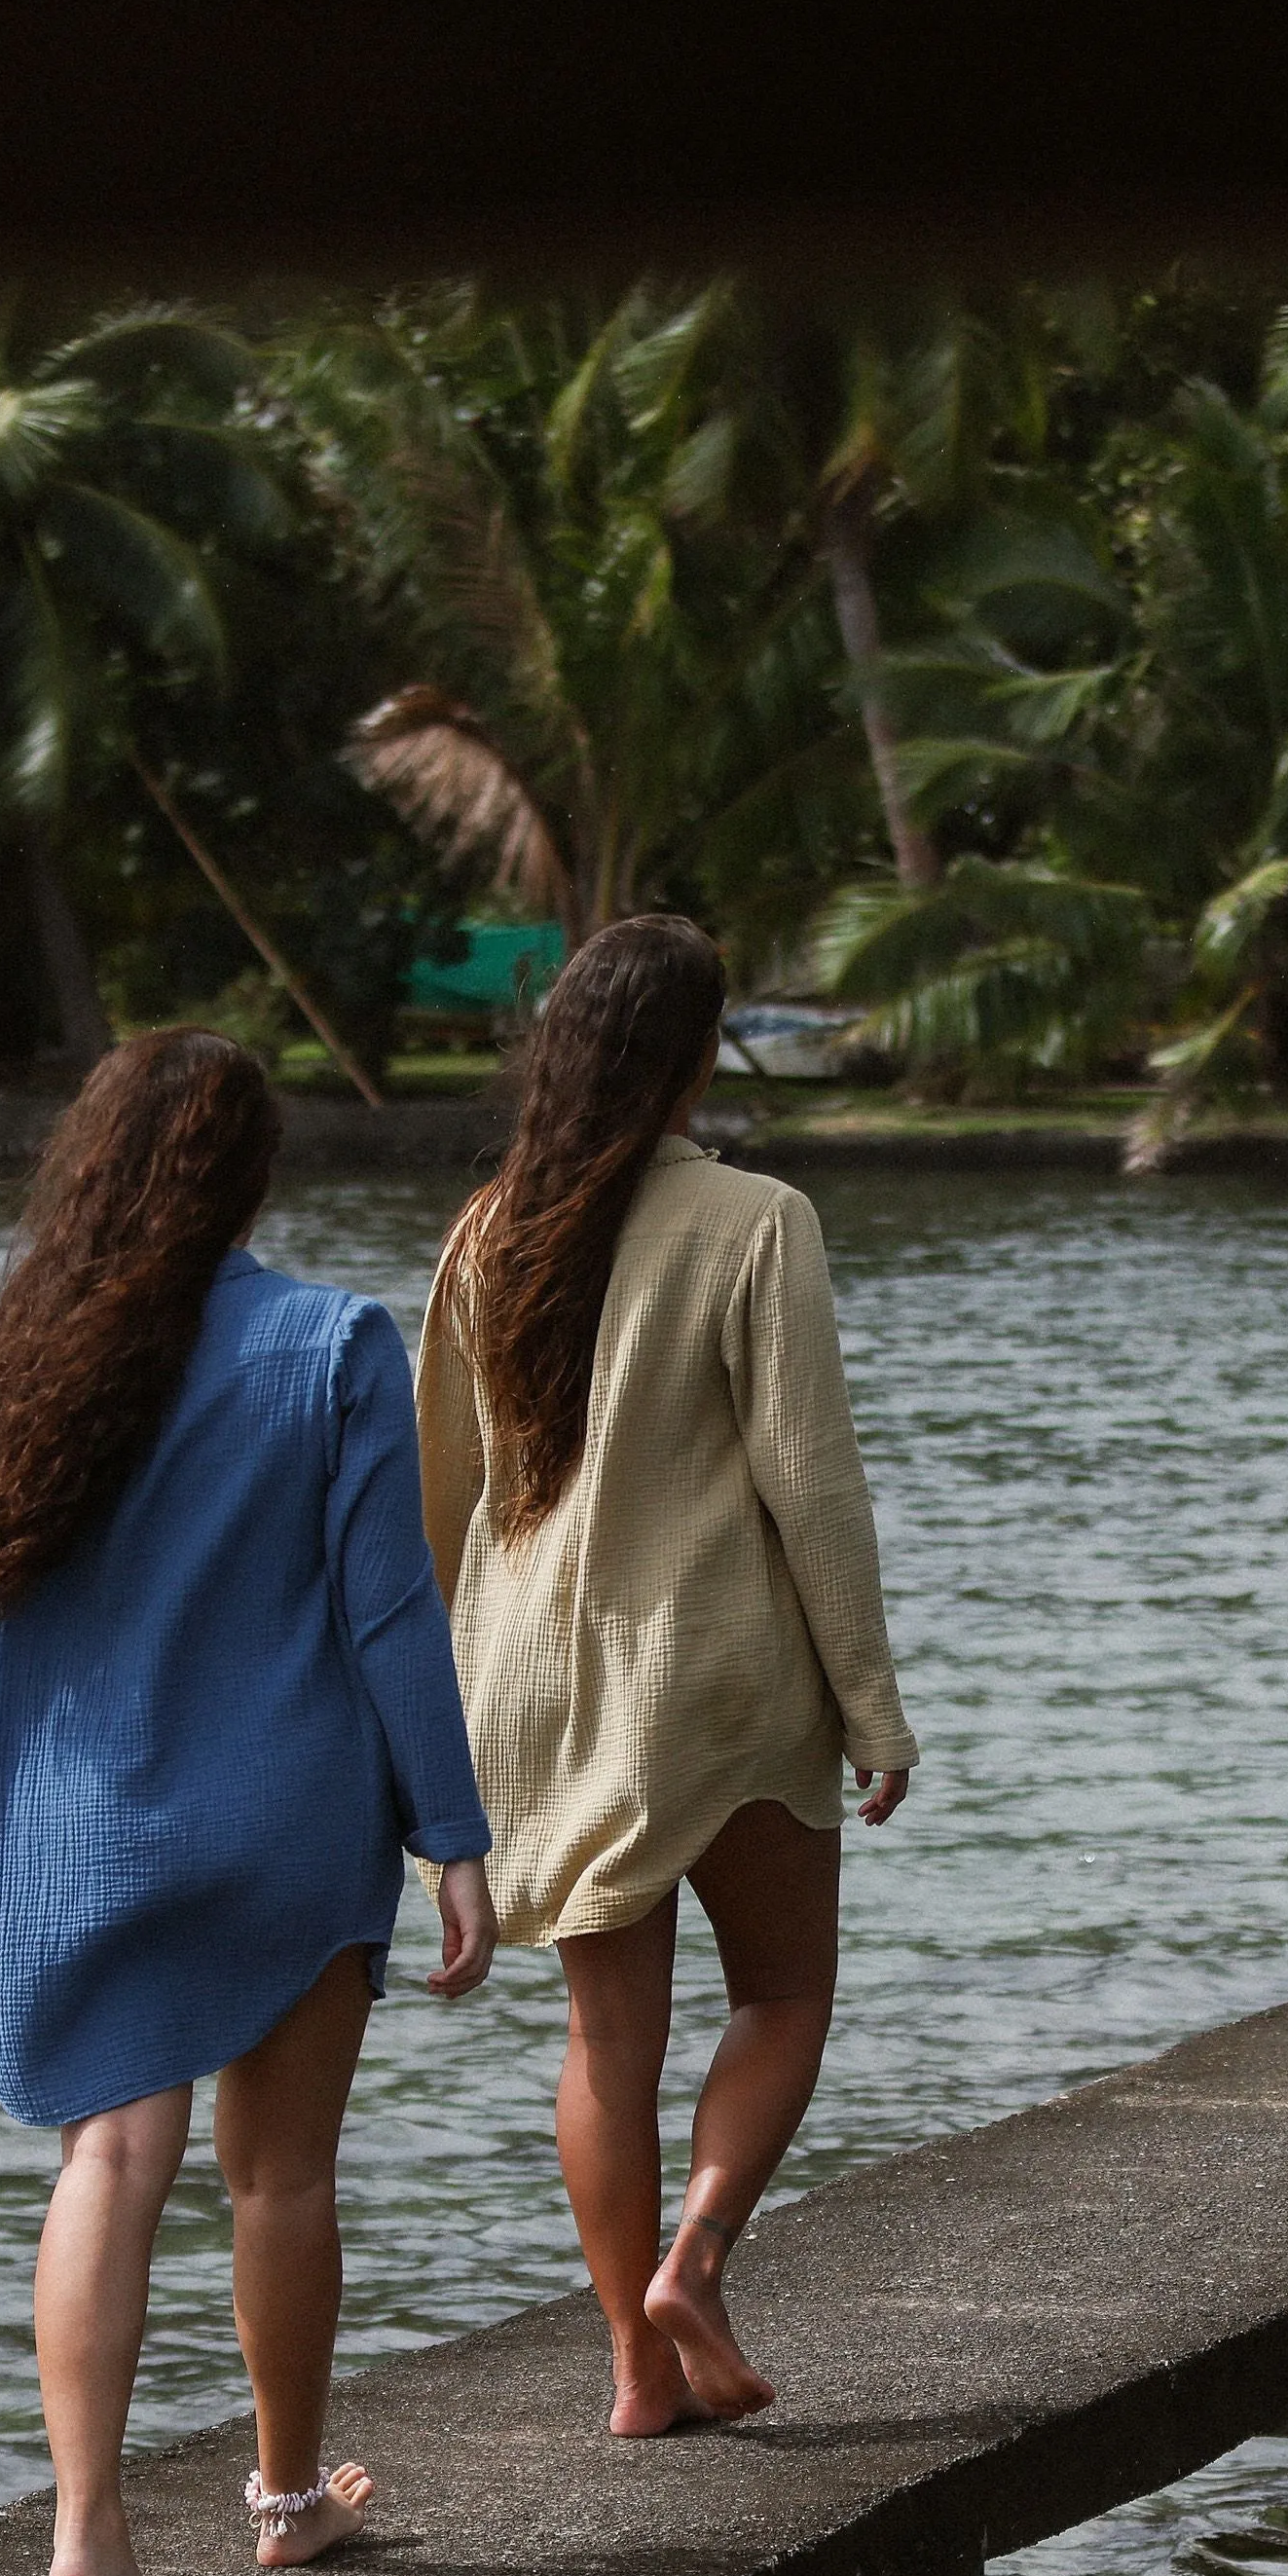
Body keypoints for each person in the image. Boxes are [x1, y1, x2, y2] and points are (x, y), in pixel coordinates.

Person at [0, 1028, 495, 2576]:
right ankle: (287, 2499)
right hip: (281, 1830)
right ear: (248, 1177)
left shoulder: (21, 1356)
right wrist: (453, 1832)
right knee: (279, 2178)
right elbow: (393, 1614)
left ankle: (90, 2526)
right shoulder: (333, 1343)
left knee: (114, 2154)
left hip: (82, 1843)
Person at [416, 915, 916, 2439]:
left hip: (530, 1696)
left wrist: (421, 1743)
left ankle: (636, 2378)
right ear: (698, 1055)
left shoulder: (485, 1229)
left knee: (603, 2044)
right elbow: (811, 1487)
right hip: (714, 1678)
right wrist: (873, 1704)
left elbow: (436, 1497)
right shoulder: (758, 1220)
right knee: (782, 1990)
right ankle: (696, 2260)